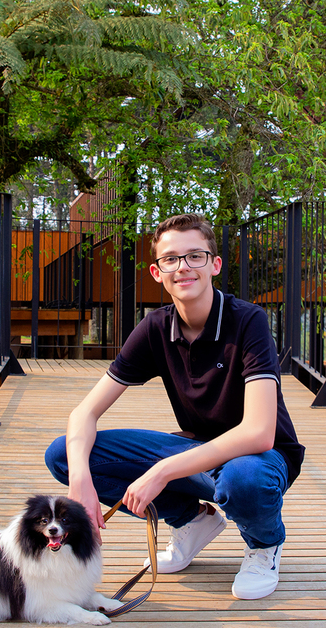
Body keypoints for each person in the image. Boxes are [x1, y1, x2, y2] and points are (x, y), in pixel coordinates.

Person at [44, 213, 305, 599]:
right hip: (197, 451)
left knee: (243, 481)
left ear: (214, 265)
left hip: (260, 458)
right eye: (171, 259)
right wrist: (80, 482)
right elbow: (84, 413)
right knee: (64, 455)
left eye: (195, 256)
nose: (183, 267)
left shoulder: (248, 321)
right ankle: (191, 521)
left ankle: (264, 545)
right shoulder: (155, 328)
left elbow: (259, 432)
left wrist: (161, 472)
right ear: (156, 271)